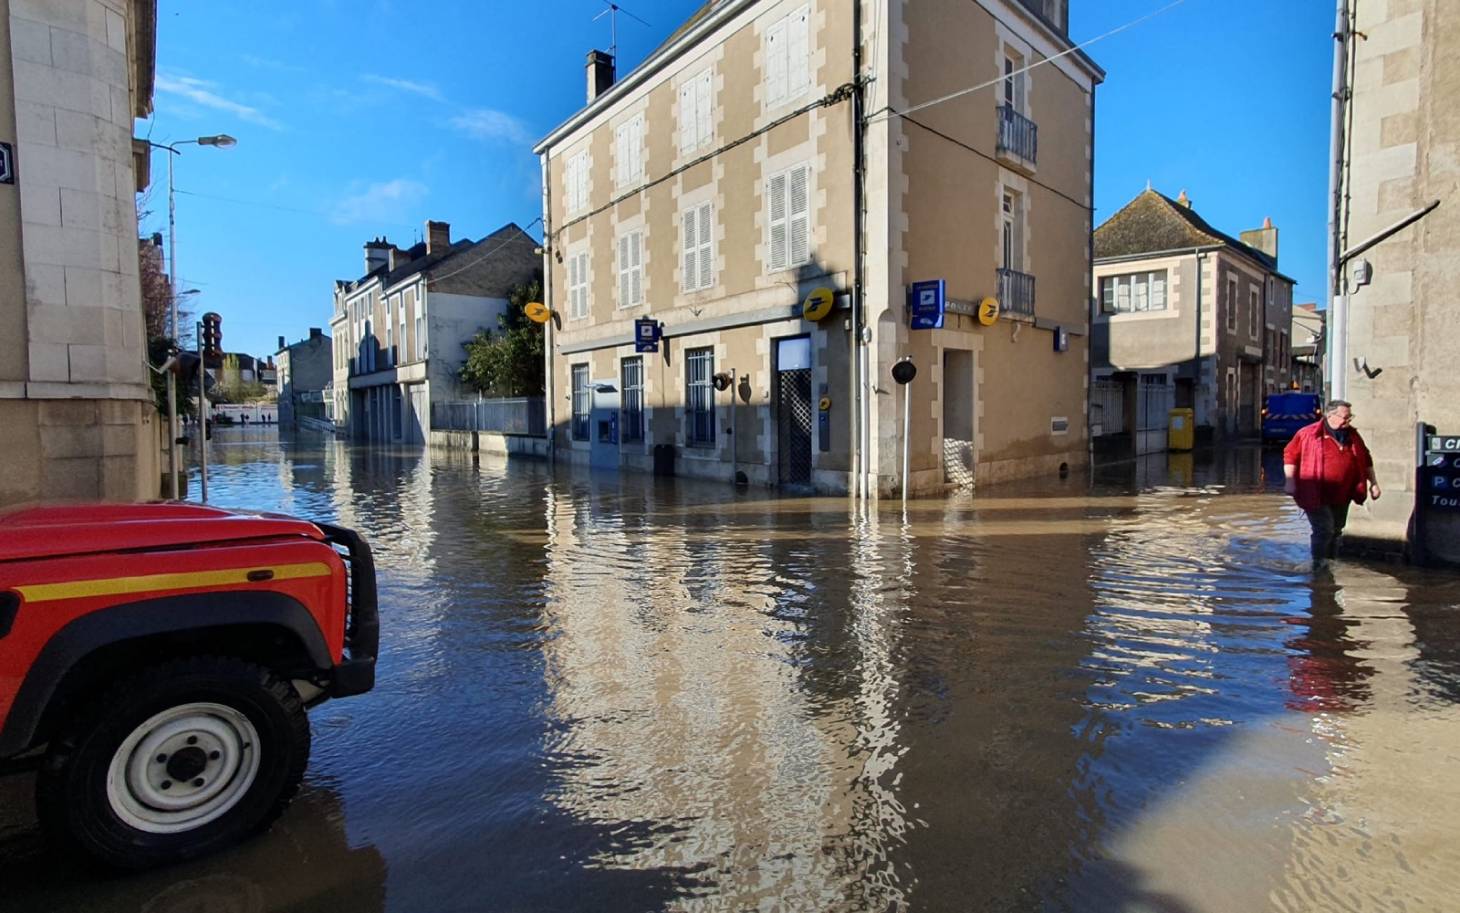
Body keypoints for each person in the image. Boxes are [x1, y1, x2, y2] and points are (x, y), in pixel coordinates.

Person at [1283, 400, 1381, 563]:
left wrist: (1374, 483)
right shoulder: (1308, 434)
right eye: (1345, 417)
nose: (1348, 421)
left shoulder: (1353, 435)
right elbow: (1290, 455)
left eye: (1350, 417)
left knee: (1336, 530)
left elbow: (1366, 458)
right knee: (1324, 529)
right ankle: (1319, 564)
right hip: (1314, 492)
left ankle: (1330, 561)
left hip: (1343, 493)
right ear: (1330, 415)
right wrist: (1290, 481)